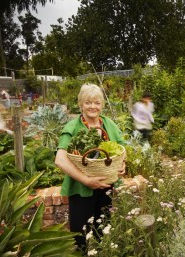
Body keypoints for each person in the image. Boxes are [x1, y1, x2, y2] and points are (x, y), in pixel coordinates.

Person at [54, 83, 125, 253]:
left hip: (106, 186)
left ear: (102, 105)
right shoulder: (72, 127)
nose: (93, 106)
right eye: (88, 102)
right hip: (81, 190)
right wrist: (86, 180)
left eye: (97, 102)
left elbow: (122, 148)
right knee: (80, 235)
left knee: (103, 230)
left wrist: (123, 164)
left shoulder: (108, 124)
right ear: (81, 104)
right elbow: (60, 160)